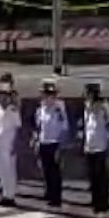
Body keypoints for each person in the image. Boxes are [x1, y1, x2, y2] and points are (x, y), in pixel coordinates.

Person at [33, 80, 70, 208]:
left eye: (50, 94)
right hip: (44, 142)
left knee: (55, 172)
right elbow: (38, 126)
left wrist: (61, 147)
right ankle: (48, 193)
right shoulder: (41, 108)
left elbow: (64, 128)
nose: (47, 97)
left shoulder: (59, 108)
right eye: (45, 94)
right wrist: (36, 140)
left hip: (55, 143)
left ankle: (56, 198)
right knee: (46, 170)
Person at [80, 83, 109, 216]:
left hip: (101, 146)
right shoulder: (86, 107)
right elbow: (86, 127)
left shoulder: (103, 107)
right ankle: (95, 201)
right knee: (92, 176)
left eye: (88, 94)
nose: (86, 97)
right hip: (90, 146)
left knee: (101, 176)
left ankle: (103, 203)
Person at [0, 80, 22, 207]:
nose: (2, 97)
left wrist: (15, 144)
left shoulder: (13, 109)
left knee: (9, 169)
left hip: (9, 142)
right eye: (0, 94)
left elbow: (18, 127)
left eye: (5, 94)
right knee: (0, 168)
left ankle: (10, 195)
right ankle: (4, 192)